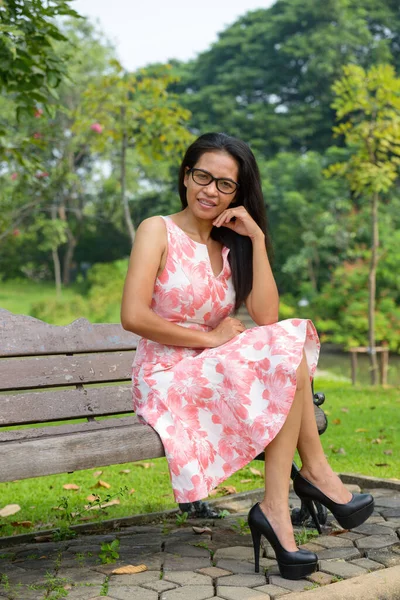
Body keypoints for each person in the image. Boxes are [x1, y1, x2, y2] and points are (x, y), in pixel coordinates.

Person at [121, 132, 374, 580]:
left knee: (286, 339)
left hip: (210, 370)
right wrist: (211, 339)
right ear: (185, 176)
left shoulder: (230, 242)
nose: (210, 190)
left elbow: (267, 315)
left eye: (224, 184)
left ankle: (281, 502)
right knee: (283, 347)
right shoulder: (156, 230)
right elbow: (133, 315)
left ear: (238, 193)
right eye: (203, 176)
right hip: (165, 376)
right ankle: (307, 479)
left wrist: (255, 238)